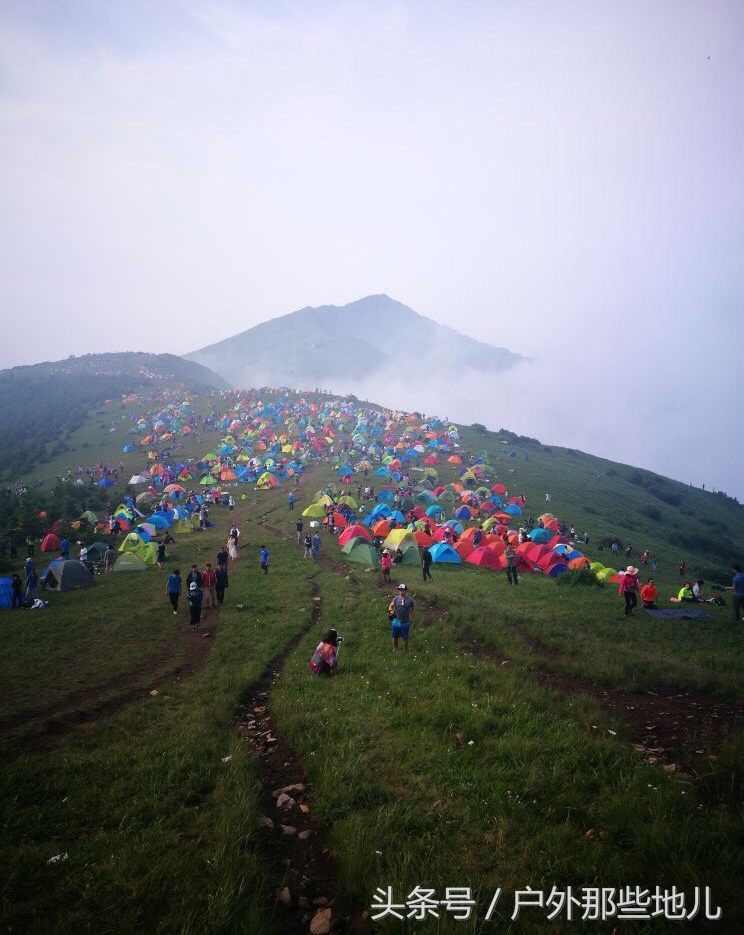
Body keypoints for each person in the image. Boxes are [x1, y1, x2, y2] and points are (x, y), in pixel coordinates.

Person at [389, 583, 414, 651]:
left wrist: (411, 618)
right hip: (396, 621)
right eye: (399, 590)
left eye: (402, 590)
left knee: (405, 637)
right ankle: (395, 649)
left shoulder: (410, 600)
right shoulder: (396, 598)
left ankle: (405, 650)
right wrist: (391, 611)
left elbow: (413, 609)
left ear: (406, 591)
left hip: (405, 622)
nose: (400, 591)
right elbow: (391, 606)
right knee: (394, 636)